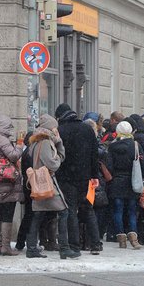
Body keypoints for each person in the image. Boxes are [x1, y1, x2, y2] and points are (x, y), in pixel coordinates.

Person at [25, 114, 80, 260]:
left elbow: (58, 158)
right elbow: (53, 164)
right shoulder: (45, 142)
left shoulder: (36, 141)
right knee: (63, 211)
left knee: (38, 214)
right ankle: (64, 248)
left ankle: (31, 247)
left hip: (39, 183)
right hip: (46, 182)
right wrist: (58, 150)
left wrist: (58, 143)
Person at [54, 103, 102, 255]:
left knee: (71, 210)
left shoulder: (61, 131)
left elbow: (58, 155)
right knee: (88, 209)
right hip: (85, 176)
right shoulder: (87, 129)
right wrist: (94, 175)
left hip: (66, 177)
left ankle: (75, 245)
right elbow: (94, 154)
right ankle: (95, 243)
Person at [0, 115, 25, 256]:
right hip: (7, 181)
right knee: (8, 213)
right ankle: (6, 247)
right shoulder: (3, 140)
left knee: (0, 213)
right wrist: (19, 145)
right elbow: (13, 156)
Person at [106, 120, 144, 249]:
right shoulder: (135, 145)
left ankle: (121, 239)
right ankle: (133, 238)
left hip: (117, 182)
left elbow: (109, 166)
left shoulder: (112, 146)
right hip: (132, 182)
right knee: (132, 211)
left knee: (118, 211)